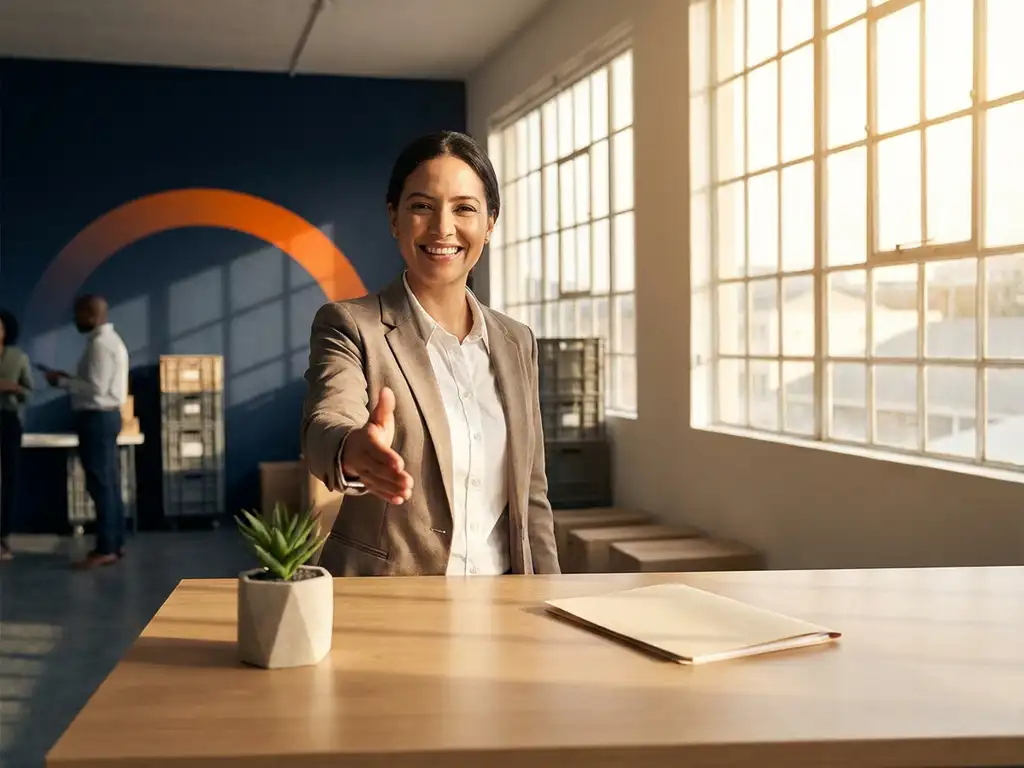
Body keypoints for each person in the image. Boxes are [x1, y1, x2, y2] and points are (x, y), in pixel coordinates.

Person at [302, 130, 560, 577]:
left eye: (464, 208)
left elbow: (532, 494)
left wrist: (550, 599)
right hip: (391, 604)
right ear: (394, 218)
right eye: (422, 206)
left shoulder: (518, 342)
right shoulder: (350, 324)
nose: (443, 228)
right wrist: (352, 451)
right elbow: (326, 422)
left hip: (502, 603)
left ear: (490, 223)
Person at [45, 295, 130, 569]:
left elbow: (95, 389)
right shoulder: (108, 342)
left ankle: (106, 548)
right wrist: (69, 381)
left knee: (101, 483)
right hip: (106, 417)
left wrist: (63, 382)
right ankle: (114, 544)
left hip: (97, 417)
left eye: (79, 314)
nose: (75, 319)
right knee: (109, 482)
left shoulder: (100, 346)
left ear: (92, 315)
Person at [0, 309, 34, 561]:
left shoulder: (18, 357)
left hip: (8, 420)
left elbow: (29, 394)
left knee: (9, 478)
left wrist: (14, 388)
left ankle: (3, 537)